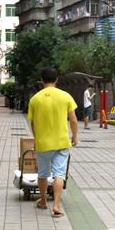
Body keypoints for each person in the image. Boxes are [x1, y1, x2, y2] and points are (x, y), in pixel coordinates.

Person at [28, 68, 79, 218]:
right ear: (57, 80)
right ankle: (56, 205)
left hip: (43, 143)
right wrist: (75, 136)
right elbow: (73, 119)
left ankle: (43, 201)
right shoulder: (65, 96)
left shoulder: (35, 99)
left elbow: (33, 123)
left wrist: (36, 138)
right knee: (59, 174)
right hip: (61, 142)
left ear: (41, 80)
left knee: (43, 174)